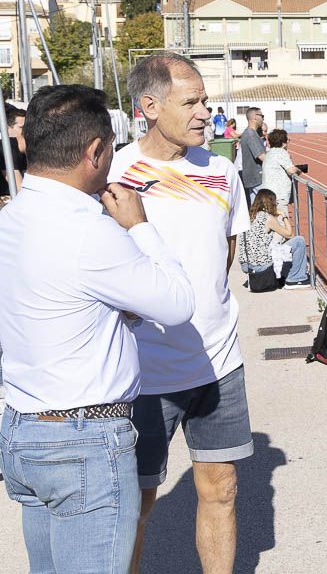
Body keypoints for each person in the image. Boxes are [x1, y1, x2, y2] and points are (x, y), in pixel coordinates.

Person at [0, 85, 195, 574]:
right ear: (95, 151)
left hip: (24, 427)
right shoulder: (90, 230)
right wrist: (139, 226)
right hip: (83, 438)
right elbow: (176, 303)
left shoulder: (11, 218)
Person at [112, 53, 253, 574]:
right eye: (190, 102)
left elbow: (226, 252)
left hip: (219, 363)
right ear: (149, 106)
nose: (205, 114)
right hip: (143, 373)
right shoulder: (116, 173)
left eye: (205, 102)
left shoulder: (221, 169)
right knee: (137, 503)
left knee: (222, 488)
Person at [238, 188, 310, 289]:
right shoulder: (267, 218)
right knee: (299, 241)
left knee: (278, 249)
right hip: (261, 265)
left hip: (246, 265)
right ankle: (295, 279)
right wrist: (283, 216)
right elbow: (290, 234)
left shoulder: (249, 216)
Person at [261, 128, 301, 208]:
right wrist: (299, 170)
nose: (288, 142)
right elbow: (291, 170)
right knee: (281, 218)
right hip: (278, 196)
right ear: (283, 142)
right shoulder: (281, 152)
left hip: (268, 193)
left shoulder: (269, 153)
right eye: (287, 140)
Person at [238, 107, 267, 206]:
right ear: (254, 117)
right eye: (262, 116)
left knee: (257, 209)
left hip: (254, 177)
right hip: (256, 178)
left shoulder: (251, 133)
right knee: (261, 209)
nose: (263, 119)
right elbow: (261, 156)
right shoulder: (251, 134)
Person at [0, 103, 26, 200]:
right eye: (22, 127)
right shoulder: (7, 148)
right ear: (7, 129)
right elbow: (18, 188)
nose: (26, 131)